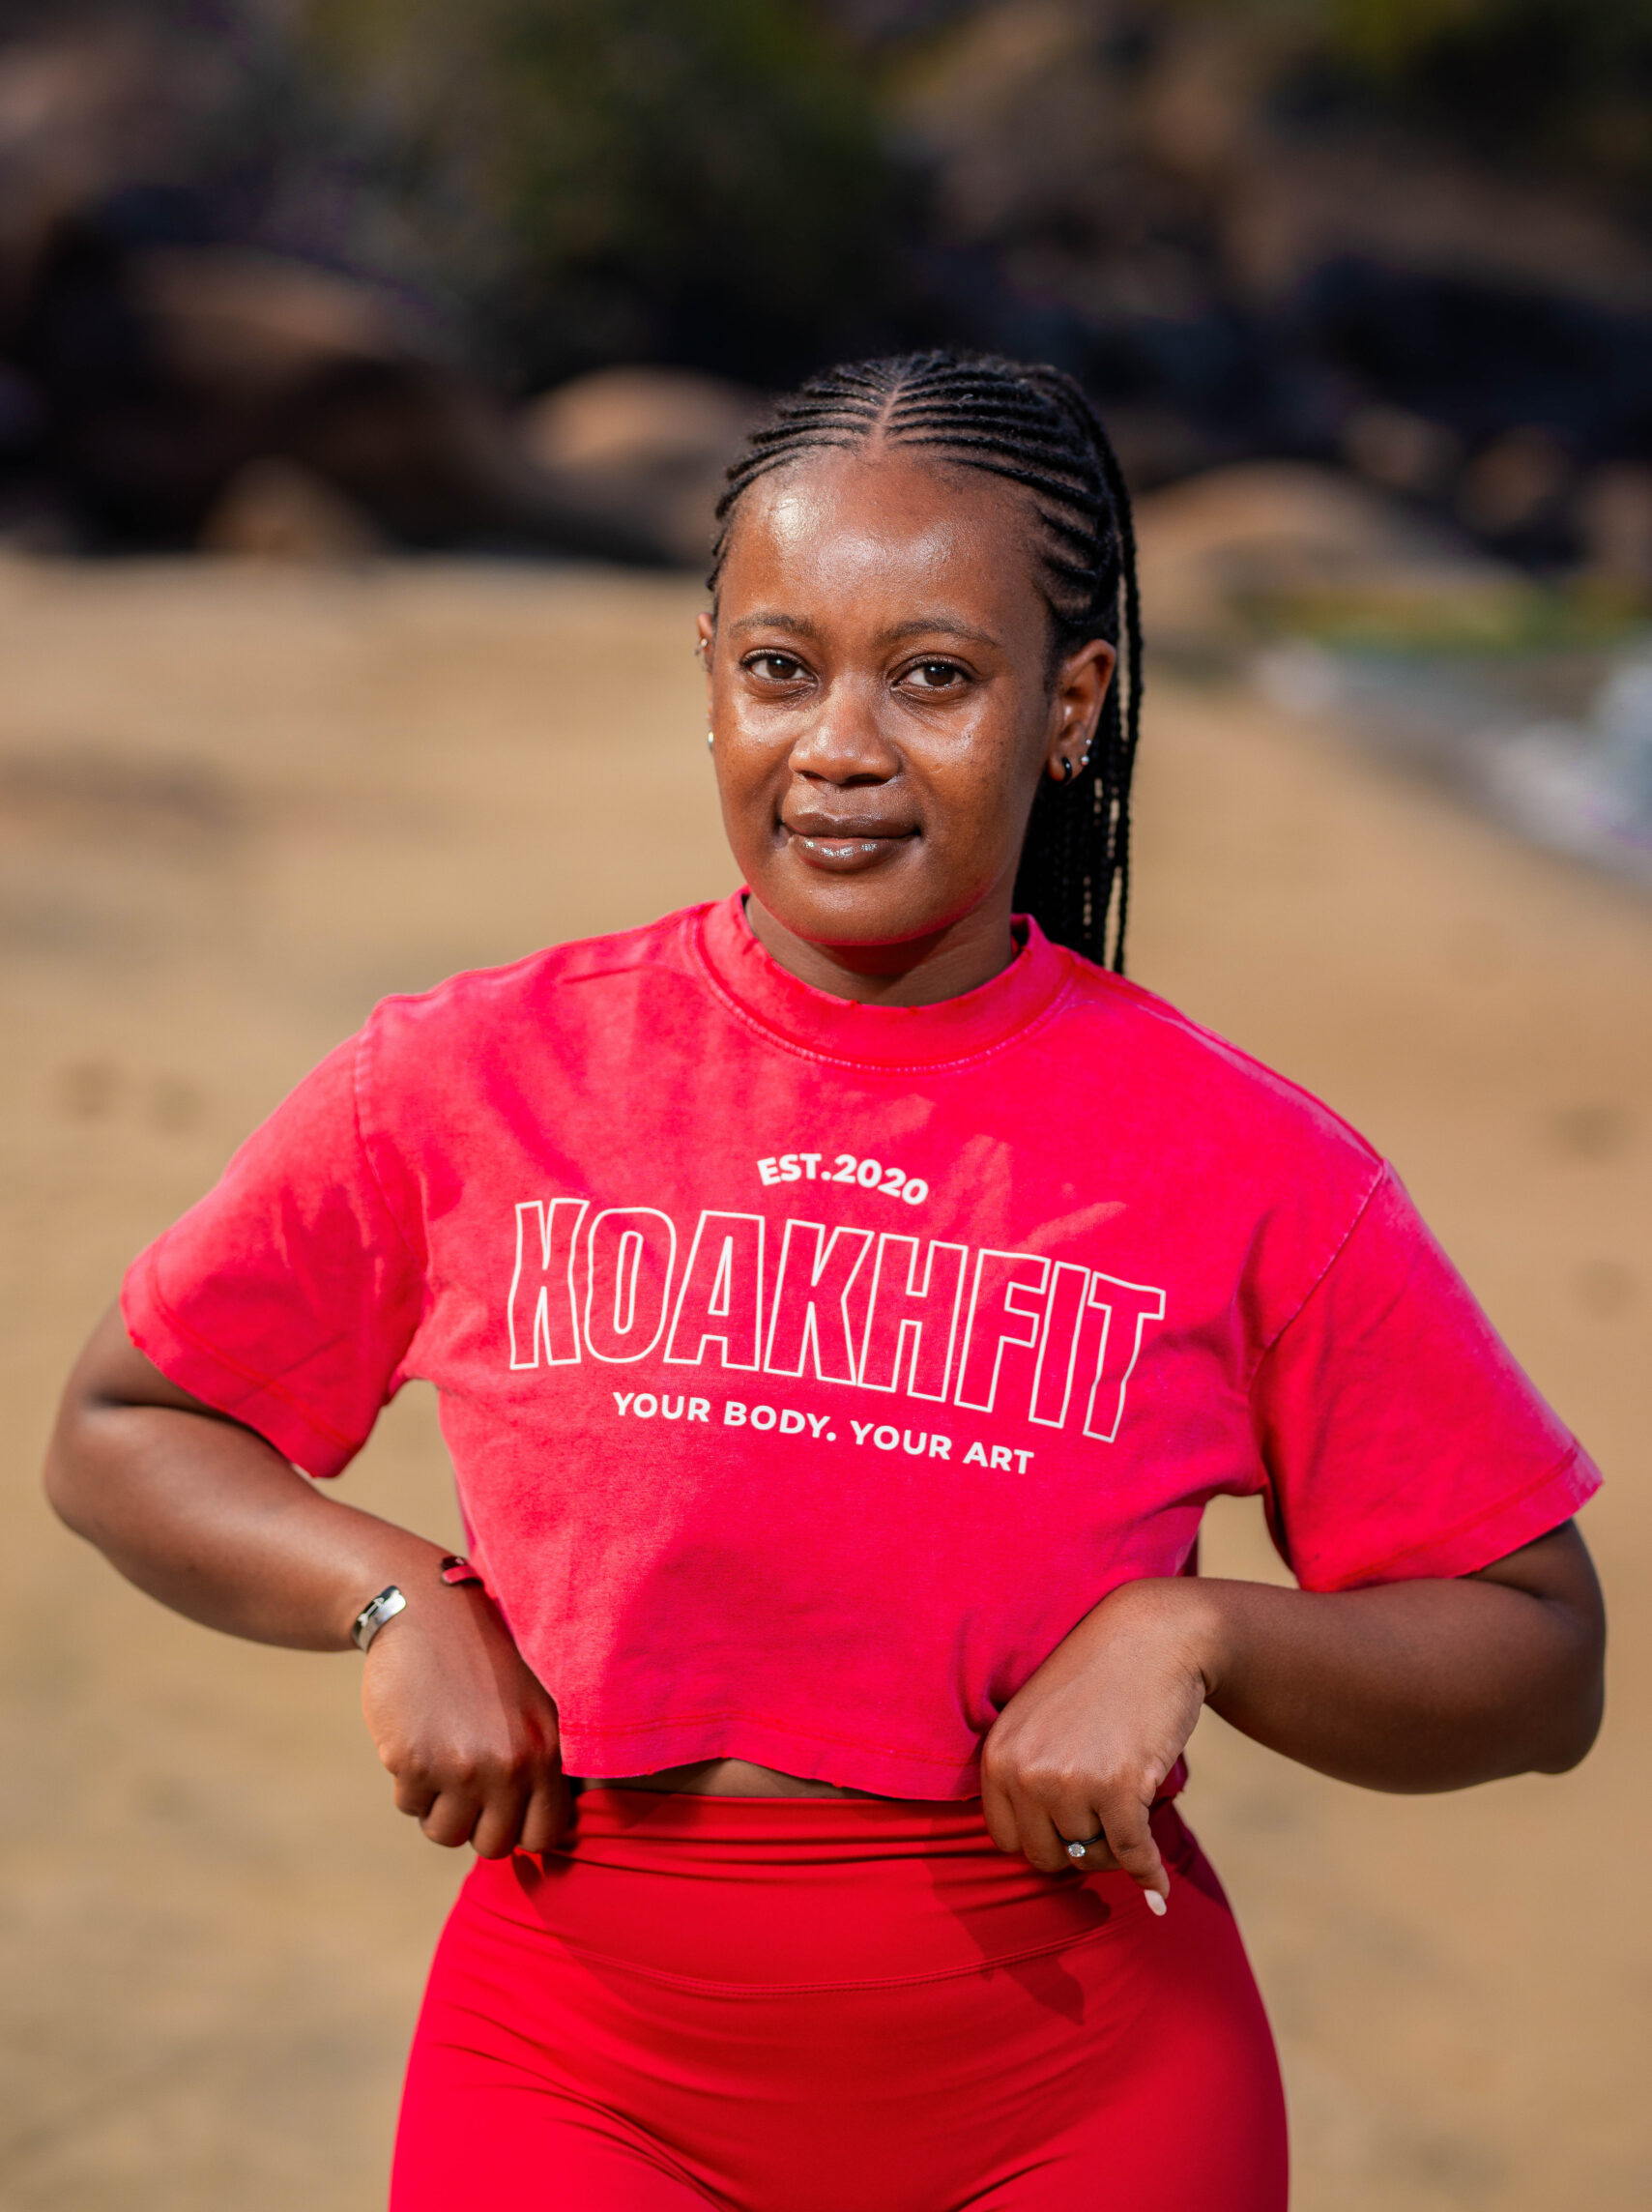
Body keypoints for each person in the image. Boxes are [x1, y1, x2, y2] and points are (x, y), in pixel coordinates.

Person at [45, 350, 1604, 2212]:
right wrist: (393, 1601)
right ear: (709, 675)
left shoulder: (1251, 1166)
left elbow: (1538, 1659)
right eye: (781, 669)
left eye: (932, 677)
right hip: (575, 2074)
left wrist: (1195, 1634)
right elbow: (126, 1425)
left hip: (1081, 2100)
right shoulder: (475, 1078)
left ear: (1069, 706)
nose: (840, 748)